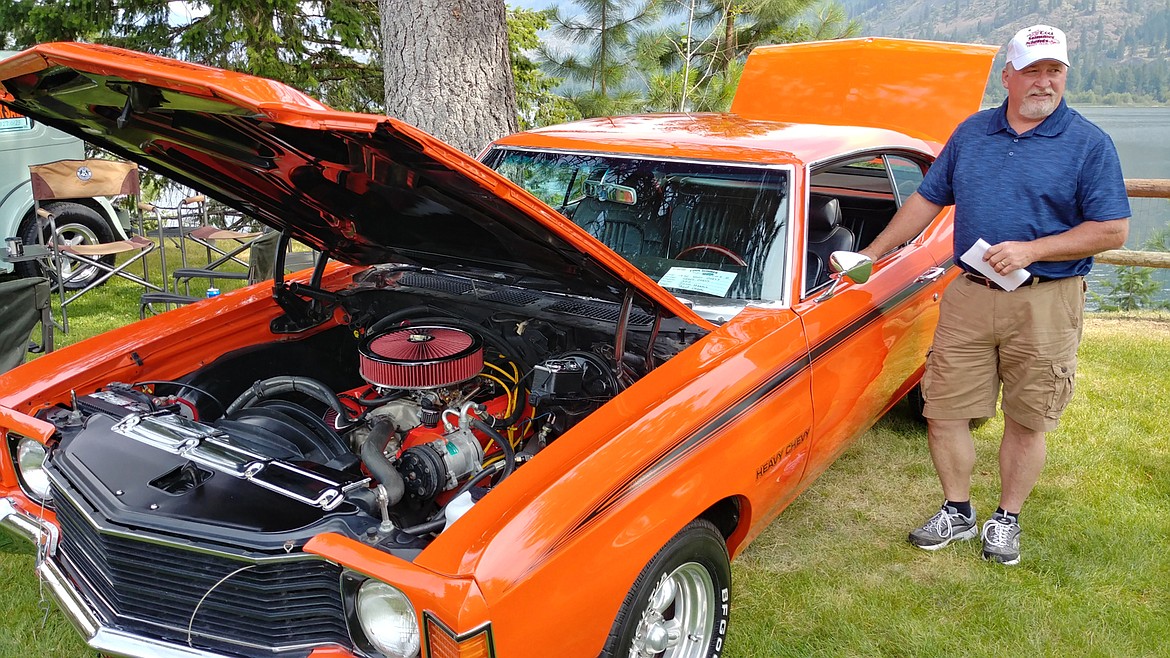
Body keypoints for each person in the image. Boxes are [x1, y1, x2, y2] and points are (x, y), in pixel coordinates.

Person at [856, 24, 1131, 565]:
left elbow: (1112, 229)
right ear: (1008, 75)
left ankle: (1006, 519)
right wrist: (873, 253)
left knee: (1028, 419)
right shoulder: (972, 134)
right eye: (1032, 70)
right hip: (970, 294)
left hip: (1047, 300)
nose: (1044, 82)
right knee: (944, 409)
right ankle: (958, 510)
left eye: (1055, 71)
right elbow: (927, 200)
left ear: (1065, 76)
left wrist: (1032, 250)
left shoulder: (1089, 144)